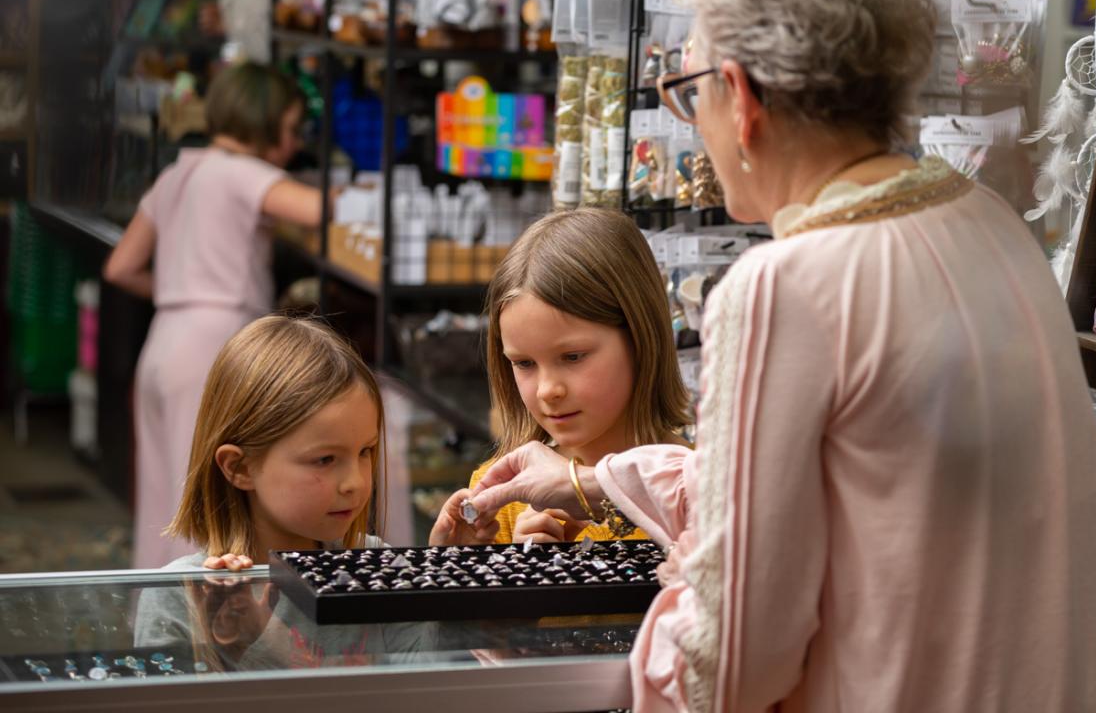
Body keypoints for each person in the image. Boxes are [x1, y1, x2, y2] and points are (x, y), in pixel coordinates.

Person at [467, 0, 1096, 711]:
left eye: (688, 93)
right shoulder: (990, 226)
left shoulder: (784, 287)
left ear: (738, 98)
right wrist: (598, 480)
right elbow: (869, 487)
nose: (695, 126)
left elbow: (737, 655)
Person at [105, 63, 327, 568]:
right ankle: (202, 624)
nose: (294, 144)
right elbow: (322, 211)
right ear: (265, 121)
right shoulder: (243, 172)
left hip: (164, 338)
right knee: (207, 500)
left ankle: (160, 626)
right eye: (292, 128)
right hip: (215, 341)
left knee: (165, 495)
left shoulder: (177, 173)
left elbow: (120, 266)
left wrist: (181, 290)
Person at [131, 316, 428, 669]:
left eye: (365, 451)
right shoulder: (178, 599)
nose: (356, 482)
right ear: (239, 468)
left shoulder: (379, 567)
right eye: (325, 459)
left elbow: (424, 693)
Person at [430, 208, 691, 548]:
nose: (548, 390)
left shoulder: (696, 490)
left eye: (572, 357)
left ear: (641, 338)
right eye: (524, 363)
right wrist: (469, 572)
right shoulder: (498, 497)